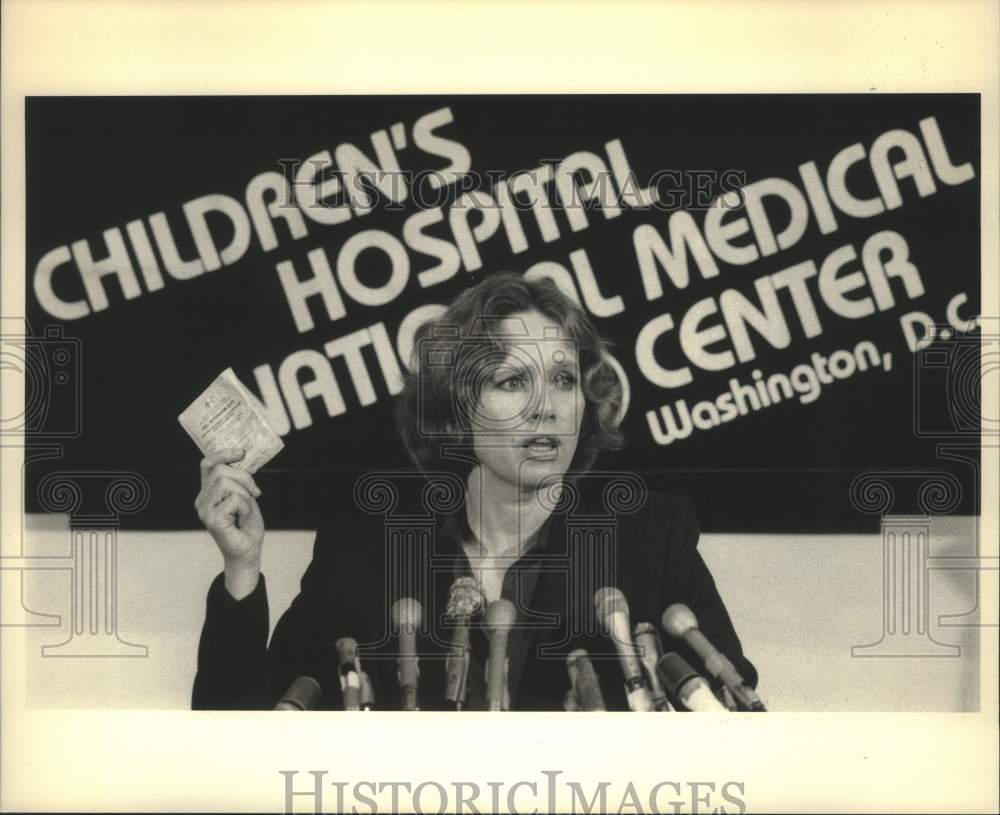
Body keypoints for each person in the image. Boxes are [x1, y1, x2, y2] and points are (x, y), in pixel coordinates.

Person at [192, 273, 757, 710]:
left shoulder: (651, 537)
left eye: (564, 379)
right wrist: (242, 568)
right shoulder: (363, 547)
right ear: (456, 407)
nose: (547, 405)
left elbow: (736, 714)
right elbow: (242, 730)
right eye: (513, 381)